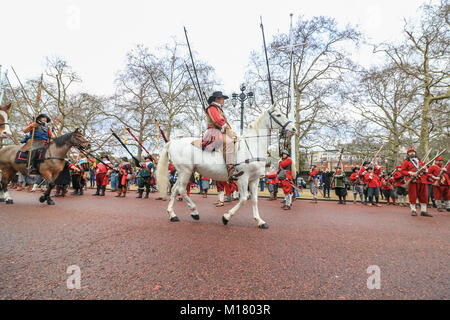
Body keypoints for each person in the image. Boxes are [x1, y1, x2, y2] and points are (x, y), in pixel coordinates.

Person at [201, 91, 242, 181]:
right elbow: (217, 120)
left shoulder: (218, 109)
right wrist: (227, 128)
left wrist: (230, 130)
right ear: (217, 99)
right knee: (228, 142)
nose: (223, 100)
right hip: (213, 132)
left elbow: (224, 122)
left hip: (220, 131)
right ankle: (231, 170)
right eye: (222, 99)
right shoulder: (212, 108)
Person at [401, 148, 431, 217]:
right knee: (413, 196)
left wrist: (425, 169)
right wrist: (410, 173)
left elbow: (426, 171)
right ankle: (413, 210)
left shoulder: (420, 161)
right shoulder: (405, 162)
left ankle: (423, 211)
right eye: (410, 152)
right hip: (413, 181)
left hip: (422, 180)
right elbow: (402, 171)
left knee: (424, 196)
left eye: (413, 152)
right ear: (408, 154)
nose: (412, 153)